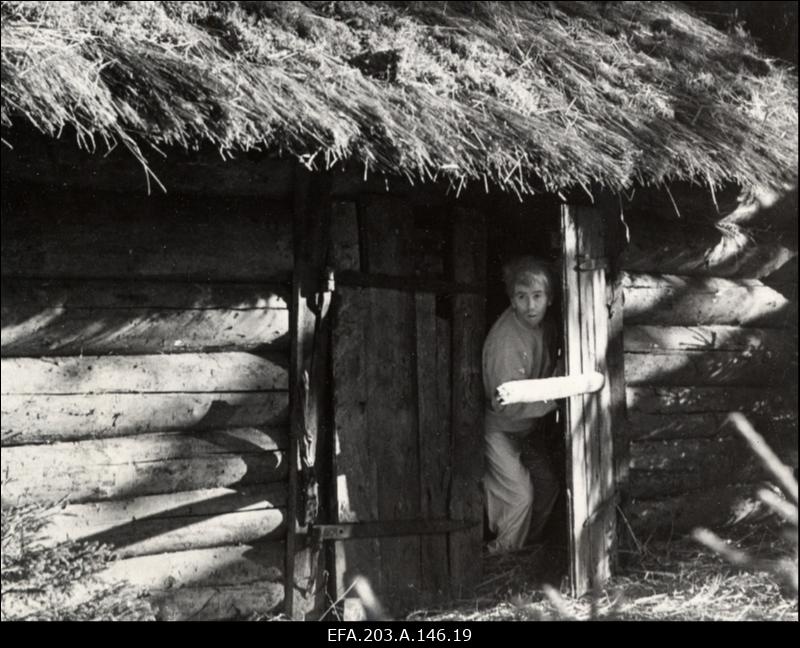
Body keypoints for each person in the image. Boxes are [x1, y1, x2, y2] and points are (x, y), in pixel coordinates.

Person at [482, 255, 562, 555]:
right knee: (519, 496)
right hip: (500, 429)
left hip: (525, 429)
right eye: (522, 297)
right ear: (512, 301)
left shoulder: (545, 326)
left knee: (547, 486)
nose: (531, 306)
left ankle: (526, 546)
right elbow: (505, 404)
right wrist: (554, 400)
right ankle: (501, 555)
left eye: (537, 296)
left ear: (550, 298)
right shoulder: (507, 341)